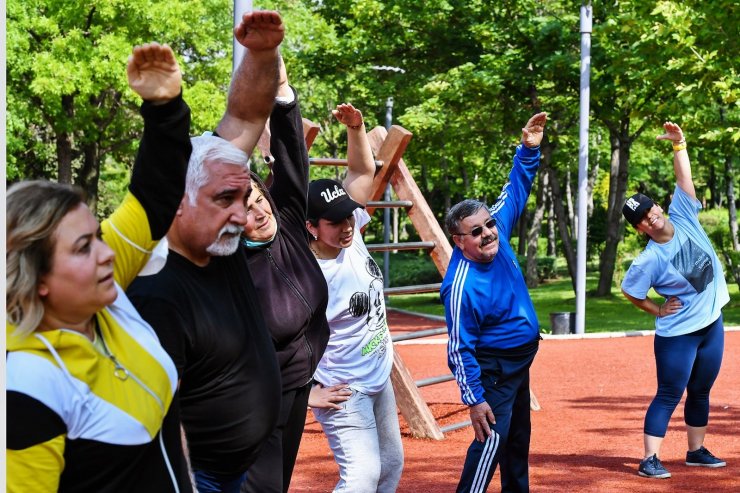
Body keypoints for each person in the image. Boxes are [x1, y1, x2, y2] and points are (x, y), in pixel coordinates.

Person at [6, 42, 192, 492]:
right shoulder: (23, 387)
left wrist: (164, 107)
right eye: (85, 246)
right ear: (37, 278)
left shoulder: (102, 299)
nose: (107, 252)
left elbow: (154, 196)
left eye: (99, 236)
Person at [126, 11, 285, 493]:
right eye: (224, 200)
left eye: (243, 198)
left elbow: (246, 116)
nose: (242, 214)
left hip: (235, 470)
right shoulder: (156, 294)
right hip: (198, 480)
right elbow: (156, 418)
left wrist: (262, 54)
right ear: (174, 199)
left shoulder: (220, 241)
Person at [236, 59, 336, 493]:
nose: (258, 212)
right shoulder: (228, 264)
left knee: (279, 483)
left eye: (259, 199)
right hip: (254, 398)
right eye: (244, 210)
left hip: (297, 383)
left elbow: (292, 153)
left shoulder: (289, 220)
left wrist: (281, 89)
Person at [441, 112, 547, 493]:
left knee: (518, 442)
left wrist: (528, 149)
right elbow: (458, 348)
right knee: (492, 443)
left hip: (520, 361)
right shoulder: (461, 286)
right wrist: (474, 399)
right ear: (459, 241)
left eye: (488, 224)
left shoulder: (496, 229)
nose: (488, 233)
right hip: (495, 370)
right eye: (476, 231)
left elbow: (516, 187)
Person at [304, 104, 404, 493]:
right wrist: (309, 393)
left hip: (378, 376)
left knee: (391, 467)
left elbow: (363, 173)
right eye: (335, 222)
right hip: (345, 389)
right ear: (312, 227)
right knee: (361, 477)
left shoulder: (353, 232)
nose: (348, 226)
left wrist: (356, 128)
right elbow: (277, 338)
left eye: (349, 216)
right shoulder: (307, 275)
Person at [621, 121, 729, 479]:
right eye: (642, 220)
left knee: (701, 389)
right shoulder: (648, 259)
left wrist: (679, 145)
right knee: (669, 393)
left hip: (711, 323)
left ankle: (696, 451)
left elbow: (685, 181)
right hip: (678, 333)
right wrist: (656, 308)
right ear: (639, 229)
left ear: (656, 206)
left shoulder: (682, 214)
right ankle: (649, 459)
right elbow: (631, 291)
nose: (650, 217)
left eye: (650, 209)